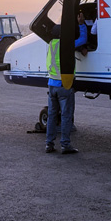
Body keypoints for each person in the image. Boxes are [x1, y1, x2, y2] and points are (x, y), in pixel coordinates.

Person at [45, 26, 78, 154]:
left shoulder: (50, 44)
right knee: (66, 115)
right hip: (64, 84)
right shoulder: (66, 45)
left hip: (51, 83)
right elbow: (82, 40)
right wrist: (80, 25)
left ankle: (49, 144)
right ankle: (65, 144)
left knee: (52, 115)